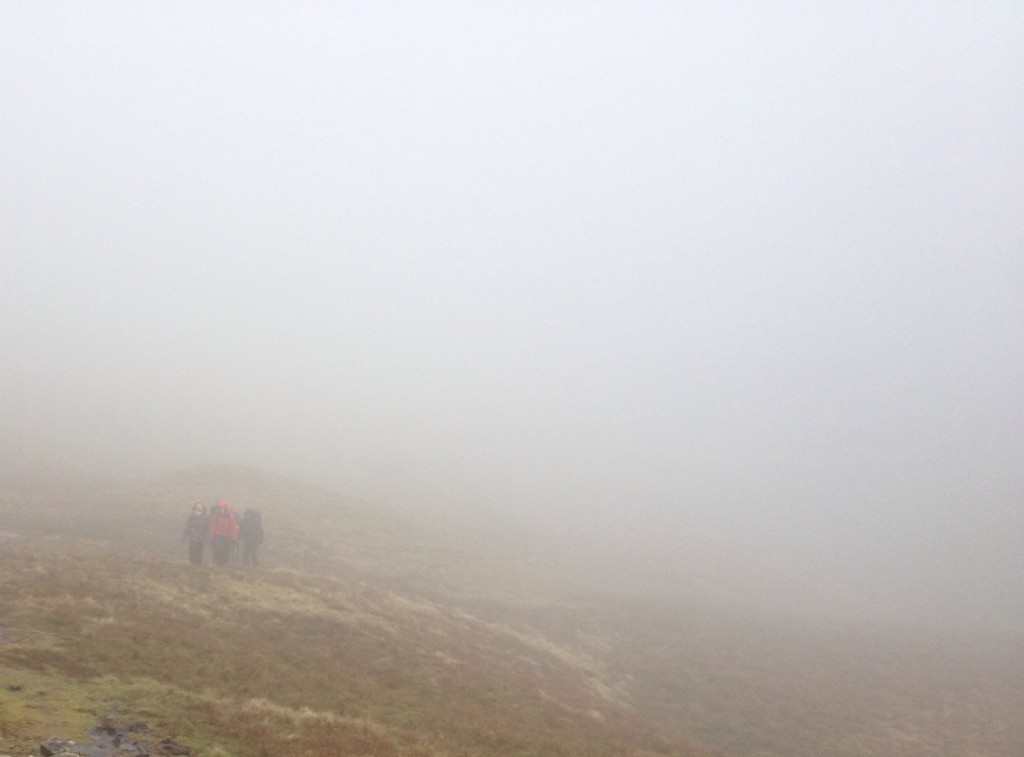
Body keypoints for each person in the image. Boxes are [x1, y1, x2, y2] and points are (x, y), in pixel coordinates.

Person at [208, 499, 238, 566]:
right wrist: (212, 535)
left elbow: (233, 526)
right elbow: (214, 525)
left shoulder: (230, 515)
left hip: (227, 536)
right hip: (218, 535)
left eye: (222, 508)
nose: (221, 509)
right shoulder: (216, 515)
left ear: (226, 508)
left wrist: (234, 537)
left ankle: (224, 563)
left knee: (226, 550)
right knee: (218, 549)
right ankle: (218, 563)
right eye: (220, 508)